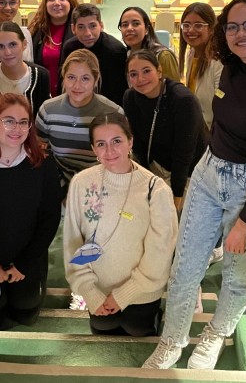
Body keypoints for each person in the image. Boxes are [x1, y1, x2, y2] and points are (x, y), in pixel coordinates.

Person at [143, 0, 246, 371]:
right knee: (185, 267)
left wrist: (244, 223)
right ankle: (172, 340)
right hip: (209, 174)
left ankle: (216, 332)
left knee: (237, 274)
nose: (240, 34)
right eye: (232, 26)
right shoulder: (228, 69)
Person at [63, 112, 177, 336]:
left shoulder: (155, 188)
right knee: (103, 327)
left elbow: (160, 250)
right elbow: (72, 241)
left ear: (130, 142)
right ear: (94, 149)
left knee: (136, 328)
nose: (110, 151)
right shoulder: (81, 183)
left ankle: (155, 315)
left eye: (117, 141)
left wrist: (125, 294)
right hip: (97, 287)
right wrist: (89, 290)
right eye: (101, 144)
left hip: (142, 289)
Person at [0, 93, 62, 330]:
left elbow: (49, 219)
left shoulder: (43, 164)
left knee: (27, 310)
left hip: (27, 261)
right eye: (8, 120)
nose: (17, 128)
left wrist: (24, 265)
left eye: (23, 122)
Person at [122, 50, 206, 214]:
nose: (140, 79)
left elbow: (184, 154)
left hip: (190, 171)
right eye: (133, 74)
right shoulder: (130, 97)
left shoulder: (182, 100)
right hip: (157, 166)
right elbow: (138, 145)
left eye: (146, 71)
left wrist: (176, 198)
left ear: (159, 71)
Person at [36, 48, 122, 192]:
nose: (77, 85)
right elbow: (42, 154)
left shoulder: (113, 113)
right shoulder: (48, 110)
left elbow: (119, 160)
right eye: (71, 77)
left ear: (96, 79)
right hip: (58, 187)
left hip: (101, 188)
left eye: (85, 78)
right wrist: (63, 190)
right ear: (63, 76)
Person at [0, 21, 50, 118]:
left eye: (12, 44)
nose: (7, 52)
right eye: (1, 46)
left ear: (24, 44)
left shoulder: (41, 76)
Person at [60, 3, 128, 106]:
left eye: (92, 26)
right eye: (81, 27)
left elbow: (118, 93)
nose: (87, 33)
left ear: (101, 26)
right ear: (73, 29)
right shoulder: (69, 48)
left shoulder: (115, 51)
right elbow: (64, 82)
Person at [28, 0, 79, 95]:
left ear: (70, 2)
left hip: (73, 94)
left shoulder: (80, 31)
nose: (57, 3)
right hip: (42, 93)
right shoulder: (36, 31)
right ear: (45, 4)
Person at [178, 3, 223, 129]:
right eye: (186, 25)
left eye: (198, 25)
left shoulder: (218, 63)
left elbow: (222, 109)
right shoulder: (191, 53)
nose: (190, 30)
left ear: (211, 29)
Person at [118, 7, 179, 81]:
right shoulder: (124, 55)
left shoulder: (163, 56)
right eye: (125, 25)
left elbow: (174, 90)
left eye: (136, 24)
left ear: (146, 29)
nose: (129, 28)